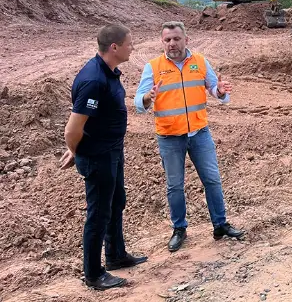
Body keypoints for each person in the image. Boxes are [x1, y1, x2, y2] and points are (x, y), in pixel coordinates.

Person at [134, 21, 244, 252]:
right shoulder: (153, 67)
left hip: (199, 133)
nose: (172, 44)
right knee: (175, 186)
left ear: (186, 40)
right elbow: (138, 103)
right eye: (167, 40)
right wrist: (148, 97)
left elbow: (214, 88)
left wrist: (219, 91)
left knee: (212, 180)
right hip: (169, 136)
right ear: (162, 42)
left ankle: (220, 225)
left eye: (176, 39)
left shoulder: (200, 62)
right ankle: (179, 229)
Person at [60, 24, 147, 291]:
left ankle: (116, 254)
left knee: (116, 202)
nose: (133, 48)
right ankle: (93, 274)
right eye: (129, 43)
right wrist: (76, 150)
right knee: (98, 214)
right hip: (98, 156)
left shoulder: (109, 72)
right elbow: (72, 128)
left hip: (112, 151)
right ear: (114, 47)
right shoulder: (94, 80)